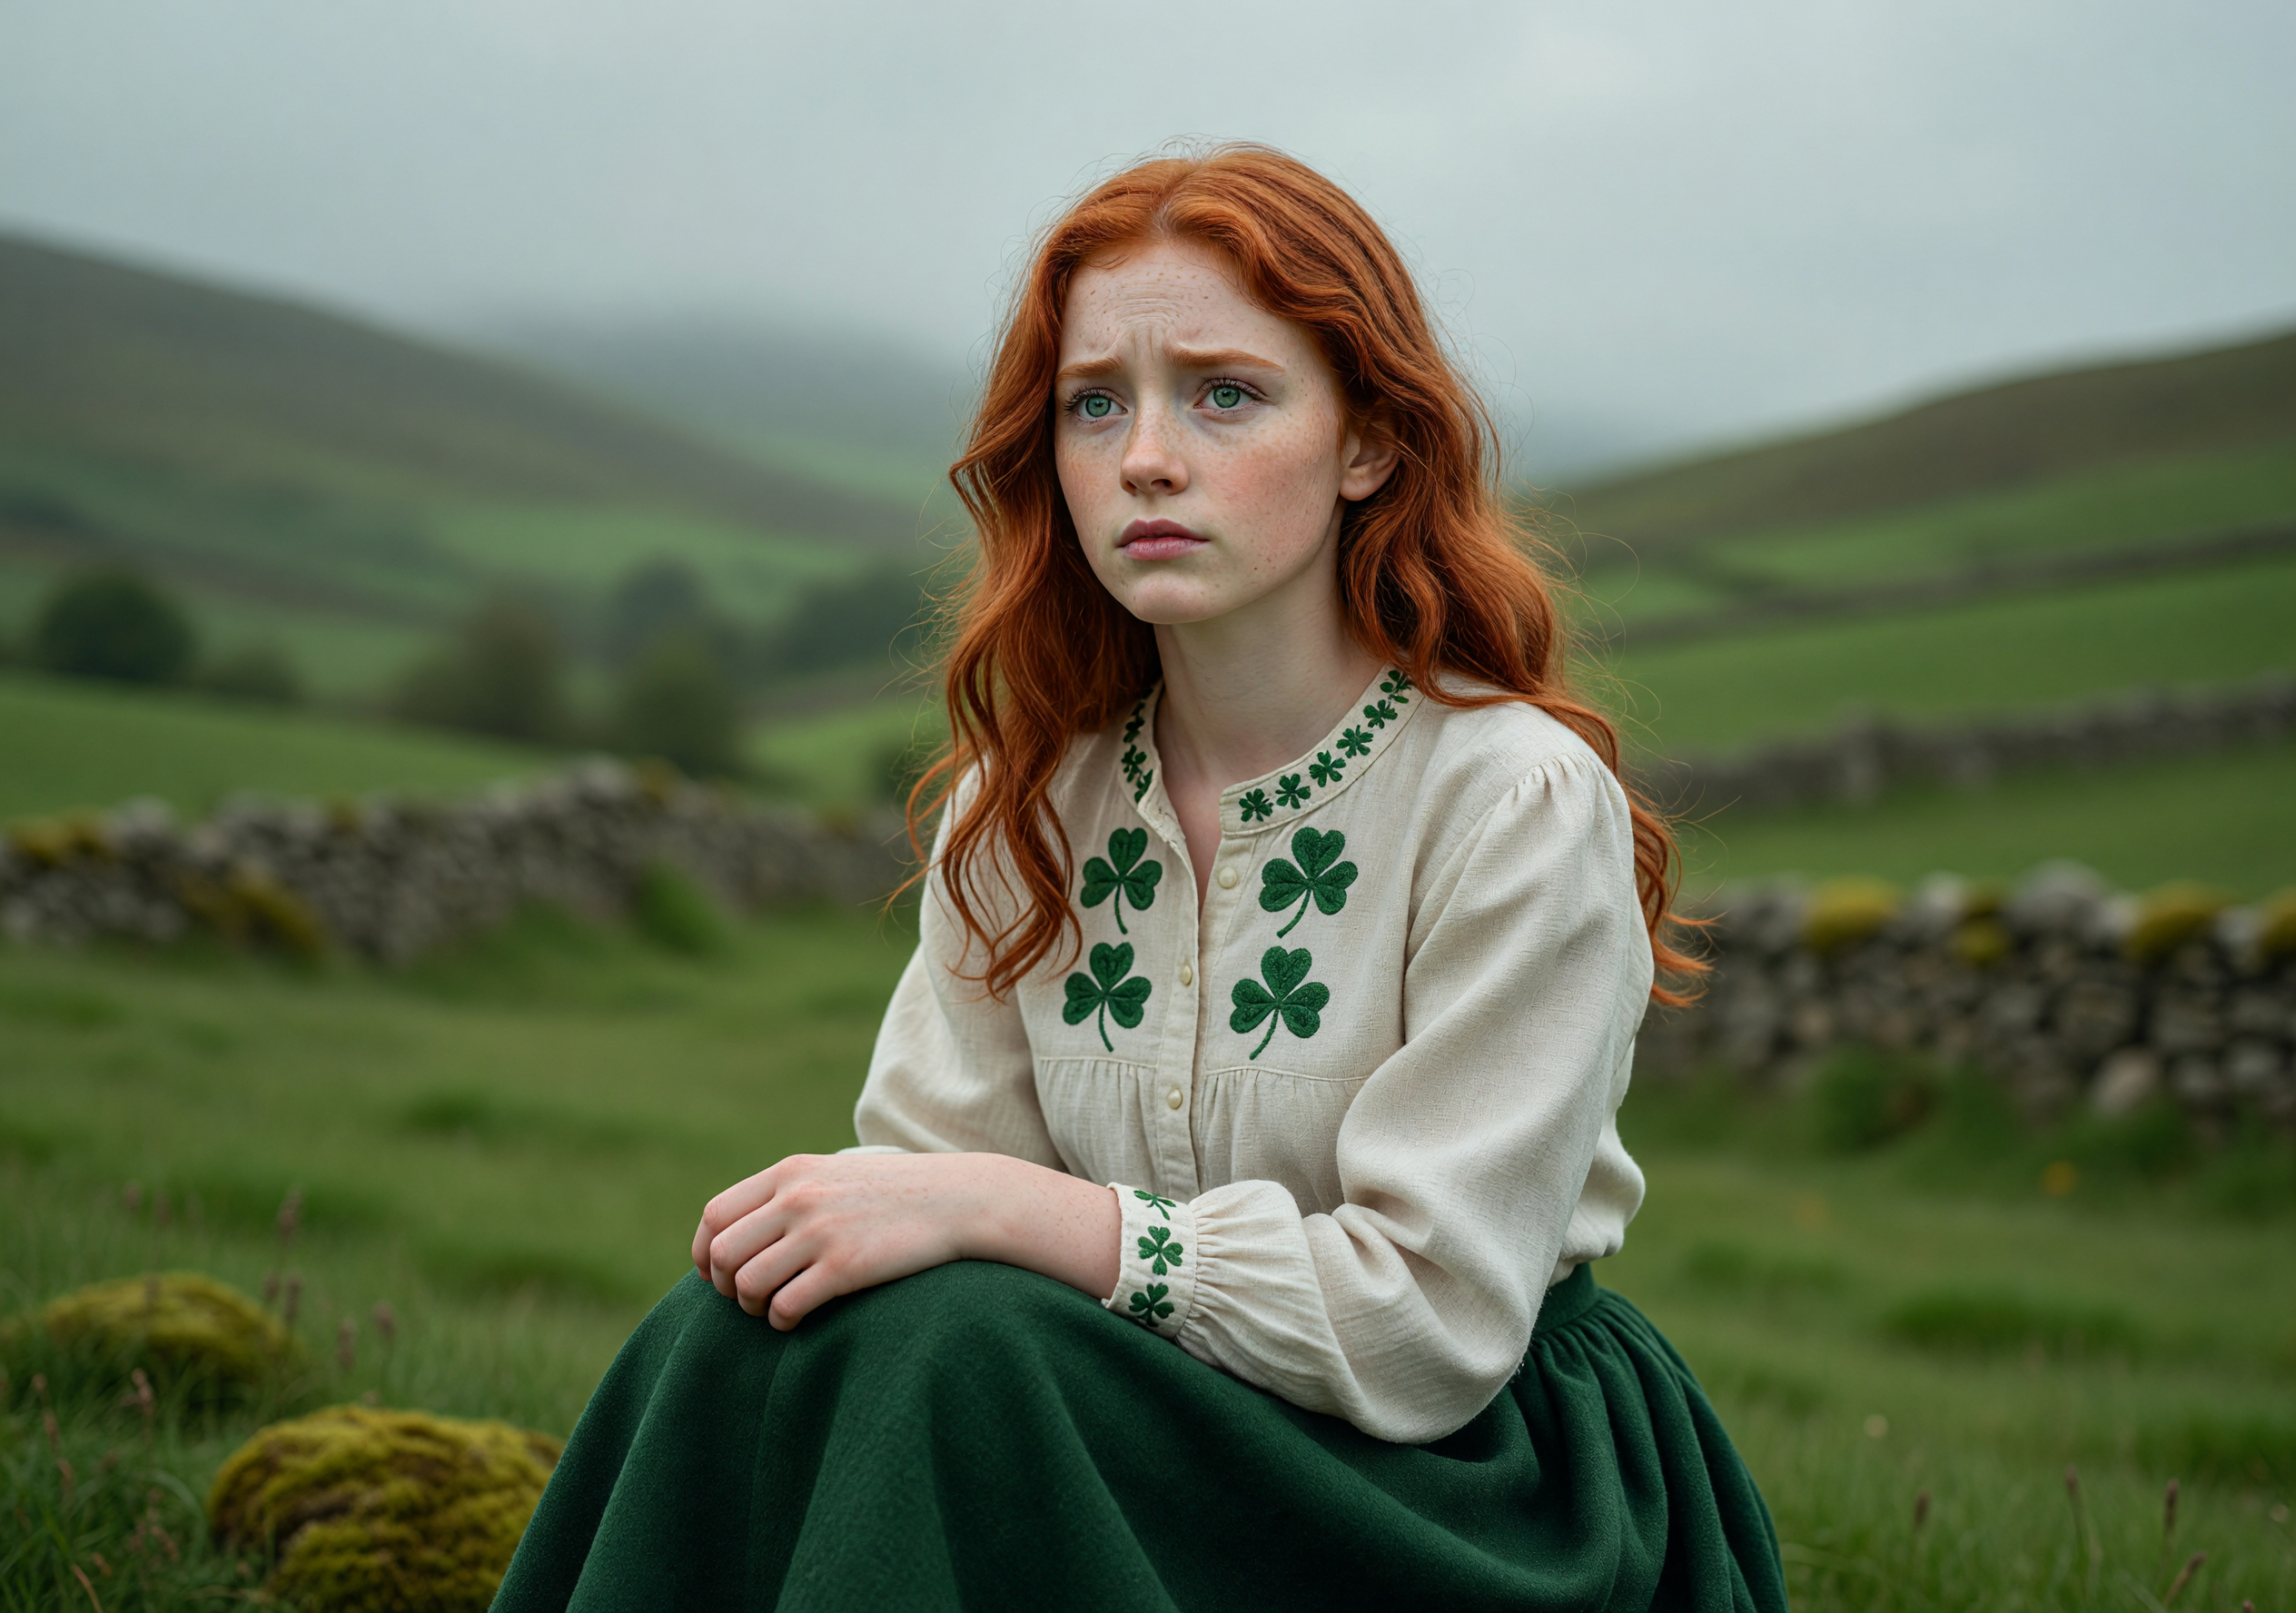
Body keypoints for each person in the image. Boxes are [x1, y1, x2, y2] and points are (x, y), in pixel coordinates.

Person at [493, 144, 1787, 1613]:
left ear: (1367, 442)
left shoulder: (1509, 799)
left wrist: (1033, 1220)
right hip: (1113, 1415)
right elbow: (923, 1209)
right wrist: (909, 1225)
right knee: (750, 1326)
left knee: (954, 1352)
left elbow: (1427, 1326)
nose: (1146, 457)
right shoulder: (1024, 799)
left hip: (1473, 1483)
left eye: (1225, 393)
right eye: (1094, 403)